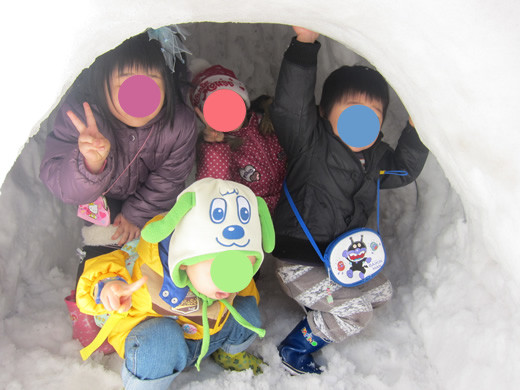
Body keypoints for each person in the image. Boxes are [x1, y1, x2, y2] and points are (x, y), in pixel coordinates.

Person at [270, 26, 430, 375]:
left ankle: (320, 308)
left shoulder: (375, 158)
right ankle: (296, 346)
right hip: (300, 259)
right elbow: (291, 107)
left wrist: (418, 129)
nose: (363, 119)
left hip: (340, 261)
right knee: (358, 312)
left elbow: (403, 169)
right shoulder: (309, 143)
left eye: (373, 113)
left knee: (381, 292)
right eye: (353, 108)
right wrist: (305, 45)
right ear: (325, 111)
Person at [76, 178, 275, 389]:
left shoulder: (230, 281)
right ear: (184, 262)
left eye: (242, 271)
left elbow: (247, 294)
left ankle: (227, 354)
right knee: (161, 339)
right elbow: (95, 275)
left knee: (246, 310)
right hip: (161, 345)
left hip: (207, 337)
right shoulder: (146, 268)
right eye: (219, 272)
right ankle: (148, 384)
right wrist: (109, 287)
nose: (230, 283)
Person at [39, 26, 197, 269]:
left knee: (154, 259)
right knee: (102, 256)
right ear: (101, 84)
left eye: (153, 81)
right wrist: (90, 163)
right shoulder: (83, 119)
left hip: (151, 200)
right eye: (125, 83)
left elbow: (169, 178)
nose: (140, 95)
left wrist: (138, 214)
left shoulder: (178, 124)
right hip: (101, 197)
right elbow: (64, 187)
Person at [191, 63, 287, 215]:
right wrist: (215, 145)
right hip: (254, 217)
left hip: (291, 207)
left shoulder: (269, 122)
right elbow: (214, 188)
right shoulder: (216, 147)